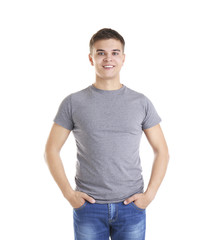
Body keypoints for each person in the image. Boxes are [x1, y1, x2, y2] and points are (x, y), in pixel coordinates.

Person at [44, 28, 169, 240]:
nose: (108, 58)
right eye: (101, 53)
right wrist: (69, 195)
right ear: (91, 58)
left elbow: (161, 151)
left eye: (115, 52)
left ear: (123, 58)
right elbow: (51, 150)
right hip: (89, 207)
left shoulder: (140, 102)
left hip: (131, 206)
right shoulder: (73, 102)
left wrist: (149, 196)